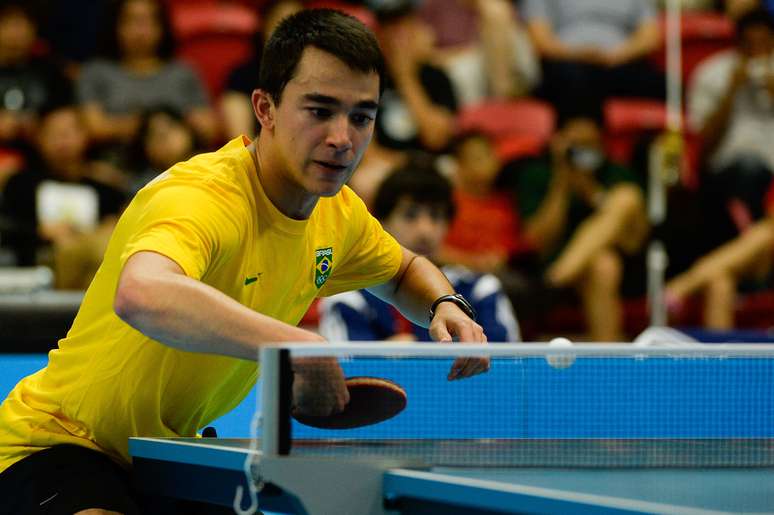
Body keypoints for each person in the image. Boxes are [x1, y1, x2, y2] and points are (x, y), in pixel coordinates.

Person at [0, 9, 488, 515]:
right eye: (319, 110)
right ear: (265, 108)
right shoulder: (203, 196)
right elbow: (141, 293)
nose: (343, 137)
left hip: (168, 456)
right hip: (60, 441)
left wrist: (444, 303)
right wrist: (294, 343)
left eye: (361, 117)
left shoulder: (338, 216)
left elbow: (406, 268)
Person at [320, 165, 520, 343]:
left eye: (435, 216)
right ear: (380, 222)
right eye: (410, 215)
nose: (425, 230)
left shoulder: (481, 290)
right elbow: (346, 373)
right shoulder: (348, 296)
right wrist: (384, 357)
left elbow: (507, 366)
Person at [506, 115, 649, 341]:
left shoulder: (617, 173)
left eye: (590, 144)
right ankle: (609, 363)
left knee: (624, 205)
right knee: (604, 264)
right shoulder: (537, 174)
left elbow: (634, 240)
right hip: (548, 262)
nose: (583, 151)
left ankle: (556, 279)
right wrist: (561, 184)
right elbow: (537, 240)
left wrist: (591, 192)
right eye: (576, 145)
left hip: (624, 268)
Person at [0, 104, 126, 288]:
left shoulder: (104, 188)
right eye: (54, 133)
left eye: (68, 132)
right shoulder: (21, 184)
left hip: (95, 261)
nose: (62, 141)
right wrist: (39, 231)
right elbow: (8, 229)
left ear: (85, 136)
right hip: (44, 265)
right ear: (39, 138)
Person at [688, 8, 774, 250]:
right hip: (726, 169)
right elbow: (704, 144)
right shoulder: (712, 72)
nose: (757, 52)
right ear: (737, 44)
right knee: (747, 168)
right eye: (750, 45)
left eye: (765, 44)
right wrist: (730, 93)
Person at [77, 0, 217, 148]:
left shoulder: (183, 71)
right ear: (115, 25)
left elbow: (209, 129)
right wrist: (153, 125)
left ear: (162, 27)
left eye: (148, 21)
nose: (140, 31)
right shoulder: (96, 71)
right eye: (131, 21)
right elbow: (94, 128)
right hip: (116, 164)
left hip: (179, 162)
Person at [523, 0, 664, 118]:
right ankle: (581, 143)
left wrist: (618, 55)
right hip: (566, 64)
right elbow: (539, 39)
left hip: (621, 63)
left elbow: (650, 37)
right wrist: (577, 54)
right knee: (569, 79)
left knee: (667, 85)